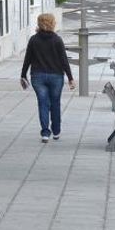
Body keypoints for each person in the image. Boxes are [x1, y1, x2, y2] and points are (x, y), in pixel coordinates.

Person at [20, 13, 76, 143]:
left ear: (39, 24)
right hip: (56, 76)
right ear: (52, 23)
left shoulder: (33, 40)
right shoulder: (57, 40)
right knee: (55, 103)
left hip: (38, 76)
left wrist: (23, 75)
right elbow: (64, 60)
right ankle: (56, 131)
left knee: (43, 103)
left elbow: (27, 59)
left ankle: (45, 132)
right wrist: (70, 78)